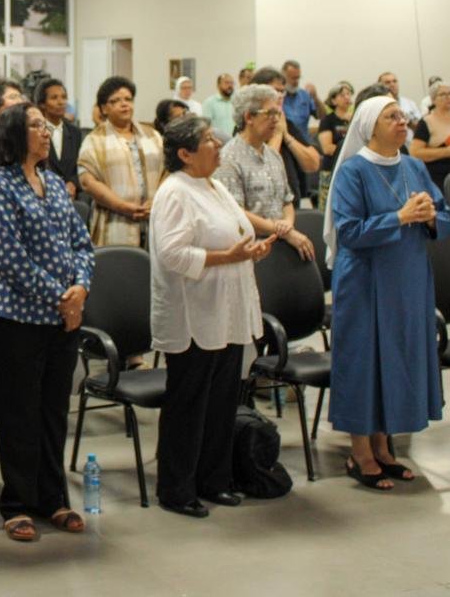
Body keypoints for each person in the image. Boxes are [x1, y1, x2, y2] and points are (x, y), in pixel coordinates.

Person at [0, 102, 93, 542]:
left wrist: (80, 288)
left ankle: (53, 498)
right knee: (19, 412)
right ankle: (17, 504)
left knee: (53, 411)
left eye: (46, 125)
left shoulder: (53, 183)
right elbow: (8, 258)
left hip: (63, 317)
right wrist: (61, 297)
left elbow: (82, 244)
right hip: (13, 318)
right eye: (37, 125)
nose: (47, 131)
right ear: (14, 134)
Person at [323, 95, 450, 490]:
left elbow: (445, 216)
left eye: (403, 115)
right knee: (365, 361)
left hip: (409, 280)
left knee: (395, 358)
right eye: (391, 116)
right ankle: (360, 451)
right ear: (369, 127)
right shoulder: (353, 172)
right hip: (365, 281)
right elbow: (348, 232)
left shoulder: (413, 166)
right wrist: (399, 217)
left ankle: (383, 446)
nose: (402, 121)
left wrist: (431, 217)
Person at [151, 116, 274, 518]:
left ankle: (214, 479)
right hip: (194, 315)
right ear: (185, 154)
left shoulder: (214, 185)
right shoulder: (175, 191)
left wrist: (251, 251)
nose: (218, 143)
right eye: (207, 140)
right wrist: (227, 257)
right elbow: (172, 254)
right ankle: (177, 489)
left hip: (226, 311)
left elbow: (236, 233)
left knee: (221, 402)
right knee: (189, 404)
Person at [216, 84, 314, 260]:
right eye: (270, 113)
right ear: (249, 117)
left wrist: (287, 225)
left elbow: (286, 200)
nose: (276, 120)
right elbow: (235, 212)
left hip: (282, 242)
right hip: (251, 250)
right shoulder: (229, 159)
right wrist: (282, 230)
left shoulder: (273, 155)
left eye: (278, 113)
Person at [77, 76, 163, 247]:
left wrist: (156, 201)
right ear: (104, 108)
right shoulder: (95, 140)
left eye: (128, 99)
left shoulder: (152, 136)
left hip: (154, 217)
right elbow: (88, 181)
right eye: (115, 101)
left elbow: (167, 172)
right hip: (114, 221)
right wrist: (122, 206)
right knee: (120, 262)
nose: (124, 104)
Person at [250, 67, 321, 209]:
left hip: (292, 206)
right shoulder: (249, 126)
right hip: (264, 209)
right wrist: (278, 134)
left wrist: (287, 137)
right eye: (275, 91)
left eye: (282, 91)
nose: (280, 96)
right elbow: (262, 169)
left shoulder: (287, 124)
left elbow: (313, 164)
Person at [411, 81, 450, 191]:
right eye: (443, 94)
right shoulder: (426, 122)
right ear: (433, 99)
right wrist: (447, 152)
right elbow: (415, 153)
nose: (448, 97)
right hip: (438, 178)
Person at [34, 78, 82, 197]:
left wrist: (73, 183)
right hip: (43, 194)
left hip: (73, 196)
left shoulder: (75, 132)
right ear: (42, 104)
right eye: (54, 98)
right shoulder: (34, 131)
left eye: (64, 97)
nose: (61, 102)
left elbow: (81, 165)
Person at [317, 82, 354, 210]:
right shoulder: (327, 120)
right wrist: (350, 151)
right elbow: (327, 148)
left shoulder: (355, 119)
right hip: (331, 168)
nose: (347, 97)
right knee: (328, 206)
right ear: (333, 100)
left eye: (349, 94)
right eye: (342, 95)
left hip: (350, 168)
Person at [377, 71, 422, 142]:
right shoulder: (378, 106)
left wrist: (409, 121)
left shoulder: (410, 103)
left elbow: (420, 127)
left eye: (394, 81)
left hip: (411, 144)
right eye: (387, 82)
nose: (392, 84)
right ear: (379, 86)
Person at [281, 60, 320, 135]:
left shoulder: (305, 95)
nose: (296, 82)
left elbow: (321, 116)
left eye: (298, 78)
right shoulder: (276, 97)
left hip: (304, 140)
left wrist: (315, 97)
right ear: (283, 77)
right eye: (293, 78)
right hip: (283, 140)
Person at [202, 74, 236, 138]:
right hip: (218, 141)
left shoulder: (236, 102)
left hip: (235, 140)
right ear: (218, 85)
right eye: (226, 83)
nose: (230, 86)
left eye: (232, 83)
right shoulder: (210, 102)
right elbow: (206, 126)